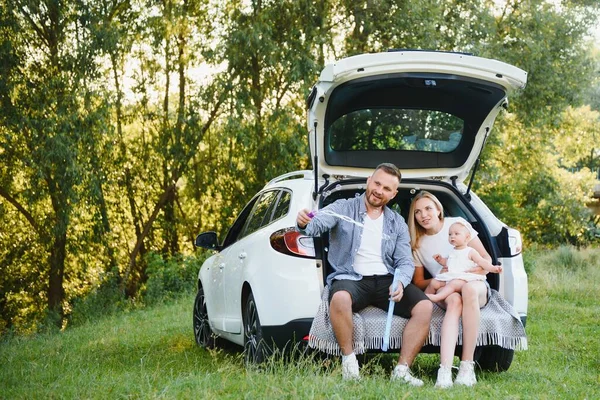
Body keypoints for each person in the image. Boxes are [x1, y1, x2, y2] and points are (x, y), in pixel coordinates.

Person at [297, 163, 432, 384]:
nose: (379, 191)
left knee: (425, 307)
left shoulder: (396, 222)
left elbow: (405, 261)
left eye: (387, 188)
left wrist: (401, 282)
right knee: (339, 297)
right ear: (369, 180)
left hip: (387, 279)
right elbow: (316, 224)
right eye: (377, 183)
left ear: (393, 194)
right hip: (351, 278)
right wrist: (304, 222)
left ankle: (402, 371)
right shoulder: (343, 207)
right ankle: (350, 363)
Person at [408, 191, 492, 389]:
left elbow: (486, 260)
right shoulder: (417, 244)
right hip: (447, 288)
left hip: (474, 282)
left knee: (469, 290)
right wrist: (441, 277)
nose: (424, 215)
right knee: (454, 301)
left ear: (438, 209)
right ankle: (444, 370)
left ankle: (466, 367)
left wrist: (464, 273)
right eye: (418, 212)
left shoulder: (456, 224)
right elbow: (419, 282)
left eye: (428, 208)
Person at [424, 221, 503, 303]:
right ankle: (423, 300)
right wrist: (441, 260)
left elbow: (482, 262)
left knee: (453, 284)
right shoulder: (452, 251)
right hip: (452, 277)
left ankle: (437, 297)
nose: (452, 236)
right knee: (434, 282)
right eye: (450, 234)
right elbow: (450, 263)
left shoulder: (470, 251)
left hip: (465, 279)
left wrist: (493, 268)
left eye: (456, 234)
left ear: (467, 237)